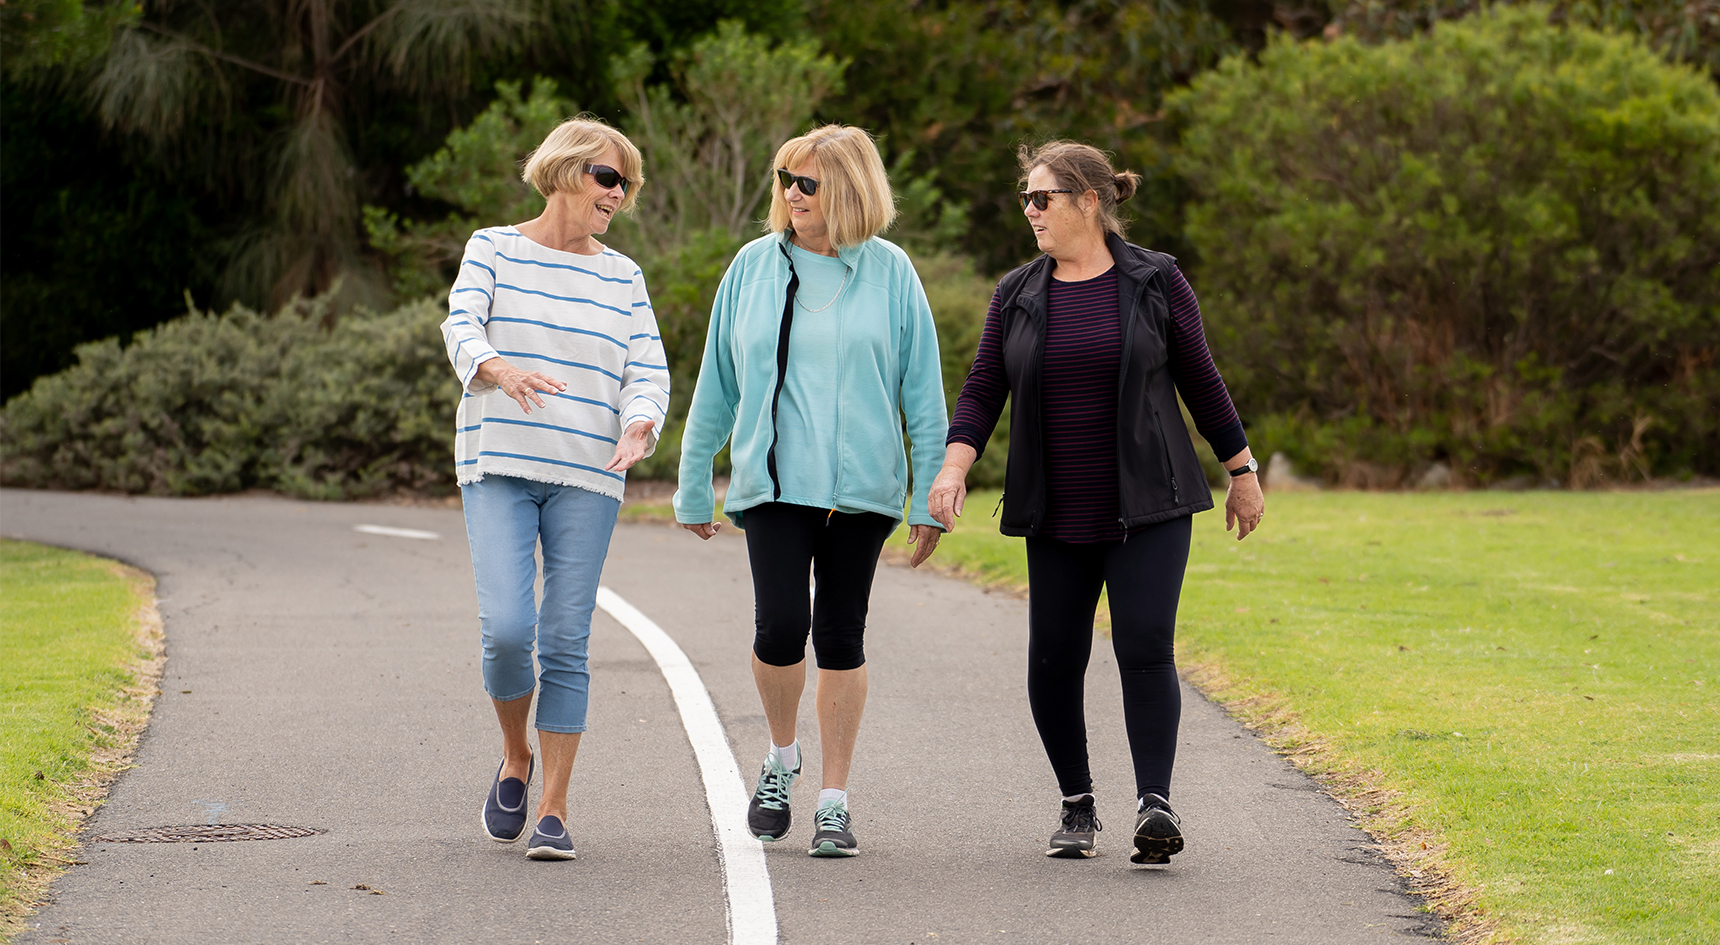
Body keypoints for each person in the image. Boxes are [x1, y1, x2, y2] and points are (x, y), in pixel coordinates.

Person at [927, 140, 1265, 865]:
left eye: (1041, 197)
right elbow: (985, 388)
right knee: (1053, 659)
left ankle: (1155, 804)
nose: (1029, 211)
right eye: (1025, 198)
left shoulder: (1156, 280)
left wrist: (1242, 469)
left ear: (1089, 201)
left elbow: (1201, 380)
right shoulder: (1017, 291)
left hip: (1149, 501)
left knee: (1145, 644)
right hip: (1055, 507)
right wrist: (953, 468)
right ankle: (1077, 803)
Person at [674, 125, 948, 858]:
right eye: (785, 180)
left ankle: (833, 798)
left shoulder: (891, 272)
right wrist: (694, 478)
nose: (791, 194)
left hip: (864, 489)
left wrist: (929, 495)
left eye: (808, 183)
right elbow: (718, 383)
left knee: (840, 636)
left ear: (850, 189)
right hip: (772, 483)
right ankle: (780, 755)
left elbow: (922, 391)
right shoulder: (753, 267)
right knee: (778, 628)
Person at [440, 118, 668, 861]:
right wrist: (498, 369)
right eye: (608, 177)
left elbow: (647, 369)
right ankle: (514, 754)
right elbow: (460, 324)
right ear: (566, 172)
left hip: (588, 476)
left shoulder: (623, 275)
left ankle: (555, 807)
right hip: (499, 463)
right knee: (508, 629)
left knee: (567, 638)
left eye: (626, 183)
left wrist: (640, 424)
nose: (618, 194)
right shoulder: (494, 247)